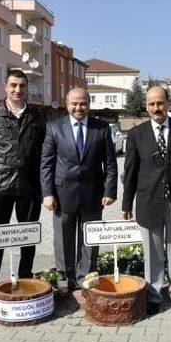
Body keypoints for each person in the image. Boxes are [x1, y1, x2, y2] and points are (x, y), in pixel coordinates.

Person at [0, 69, 46, 305]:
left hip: (29, 188)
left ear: (27, 88)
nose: (18, 90)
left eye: (22, 86)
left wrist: (46, 190)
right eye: (13, 85)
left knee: (28, 237)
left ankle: (25, 277)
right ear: (6, 87)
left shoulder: (36, 116)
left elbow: (45, 155)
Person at [122, 86, 171, 315]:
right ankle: (153, 293)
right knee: (152, 252)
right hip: (148, 201)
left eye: (160, 103)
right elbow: (131, 171)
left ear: (168, 103)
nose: (156, 108)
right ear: (146, 105)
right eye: (152, 104)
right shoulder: (136, 134)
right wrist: (126, 204)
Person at [40, 88, 118, 291]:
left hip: (93, 194)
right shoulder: (54, 127)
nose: (78, 107)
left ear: (88, 104)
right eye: (74, 103)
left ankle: (86, 278)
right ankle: (65, 279)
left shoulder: (101, 128)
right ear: (67, 104)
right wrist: (47, 193)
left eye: (83, 103)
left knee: (90, 239)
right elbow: (46, 163)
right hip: (61, 195)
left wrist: (110, 191)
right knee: (63, 239)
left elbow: (110, 163)